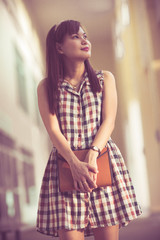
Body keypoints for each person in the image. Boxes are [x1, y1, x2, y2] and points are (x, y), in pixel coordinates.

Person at [36, 20, 142, 240]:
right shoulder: (46, 87)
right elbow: (54, 131)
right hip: (65, 168)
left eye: (85, 35)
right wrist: (74, 164)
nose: (84, 40)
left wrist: (92, 156)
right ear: (59, 47)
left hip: (101, 165)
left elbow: (109, 121)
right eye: (75, 36)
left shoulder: (106, 79)